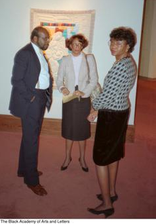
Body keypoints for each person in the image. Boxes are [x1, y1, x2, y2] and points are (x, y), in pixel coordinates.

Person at [87, 27, 137, 218]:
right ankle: (112, 192)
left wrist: (93, 109)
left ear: (128, 46)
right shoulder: (128, 62)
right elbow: (115, 92)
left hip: (111, 116)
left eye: (119, 43)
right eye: (112, 42)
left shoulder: (120, 66)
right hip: (121, 111)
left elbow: (106, 96)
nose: (113, 46)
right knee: (113, 154)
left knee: (100, 158)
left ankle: (107, 204)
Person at [9, 26, 53, 196]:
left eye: (47, 38)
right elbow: (16, 80)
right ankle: (32, 180)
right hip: (32, 101)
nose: (47, 41)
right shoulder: (25, 53)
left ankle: (23, 170)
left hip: (40, 98)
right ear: (35, 38)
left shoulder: (38, 52)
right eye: (44, 38)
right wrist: (31, 97)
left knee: (29, 137)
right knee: (32, 140)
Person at [56, 34, 98, 172]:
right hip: (69, 100)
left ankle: (82, 158)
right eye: (74, 44)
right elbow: (59, 79)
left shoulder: (88, 59)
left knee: (82, 131)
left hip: (83, 100)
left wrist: (84, 92)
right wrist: (62, 88)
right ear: (70, 45)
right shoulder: (65, 60)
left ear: (83, 46)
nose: (77, 47)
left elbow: (94, 80)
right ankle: (67, 157)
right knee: (69, 130)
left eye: (80, 44)